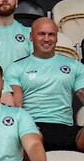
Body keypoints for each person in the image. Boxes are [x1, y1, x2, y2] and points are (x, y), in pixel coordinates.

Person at [6, 18, 84, 151]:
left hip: (66, 127)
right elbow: (16, 105)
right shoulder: (16, 67)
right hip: (33, 126)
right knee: (29, 138)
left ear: (57, 38)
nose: (46, 39)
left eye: (51, 34)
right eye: (41, 34)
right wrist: (24, 125)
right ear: (31, 36)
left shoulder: (75, 66)